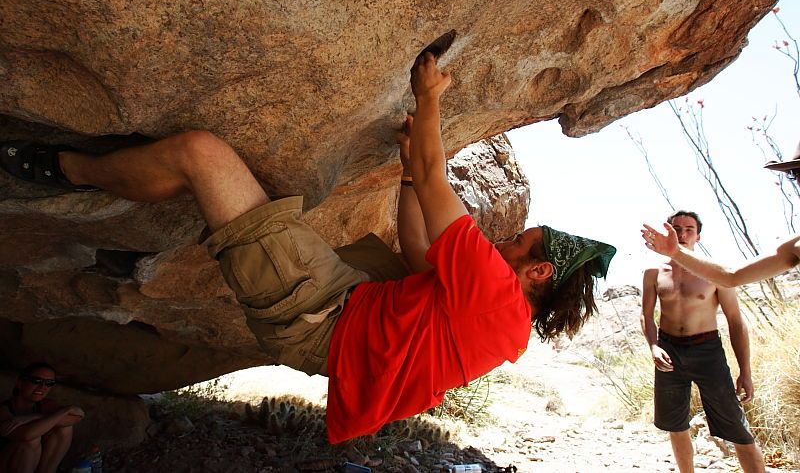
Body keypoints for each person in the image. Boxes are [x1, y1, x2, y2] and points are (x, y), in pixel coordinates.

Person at [0, 52, 615, 443]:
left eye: (518, 241)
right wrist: (404, 170)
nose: (502, 239)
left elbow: (436, 179)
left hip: (315, 312)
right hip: (339, 310)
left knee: (201, 154)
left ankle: (66, 168)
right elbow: (418, 248)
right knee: (210, 176)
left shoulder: (498, 295)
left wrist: (429, 97)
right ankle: (114, 181)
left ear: (536, 270)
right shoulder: (500, 324)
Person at [641, 211, 765, 473]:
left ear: (698, 235)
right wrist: (654, 345)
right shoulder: (653, 272)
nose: (682, 234)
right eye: (677, 229)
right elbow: (646, 314)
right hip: (669, 350)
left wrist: (746, 371)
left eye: (689, 229)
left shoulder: (715, 272)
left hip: (707, 351)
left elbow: (735, 321)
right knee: (675, 425)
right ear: (669, 233)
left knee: (736, 427)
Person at [642, 142, 800, 286]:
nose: (799, 181)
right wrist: (677, 252)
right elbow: (731, 276)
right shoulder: (794, 244)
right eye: (797, 174)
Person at [0, 362, 85, 473]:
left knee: (64, 428)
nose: (43, 387)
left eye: (49, 383)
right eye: (36, 381)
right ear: (20, 383)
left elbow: (76, 417)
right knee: (31, 442)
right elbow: (26, 435)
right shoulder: (3, 410)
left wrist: (33, 417)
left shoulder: (46, 405)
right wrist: (64, 411)